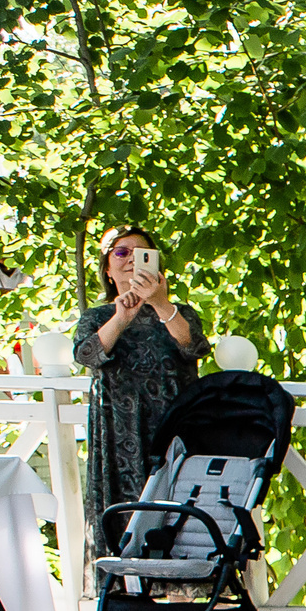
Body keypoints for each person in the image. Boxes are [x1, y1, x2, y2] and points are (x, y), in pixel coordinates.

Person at [74, 225, 209, 561]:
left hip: (176, 432)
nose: (131, 259)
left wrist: (161, 305)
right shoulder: (96, 317)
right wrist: (122, 318)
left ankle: (186, 607)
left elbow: (193, 347)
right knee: (125, 522)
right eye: (121, 252)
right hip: (120, 436)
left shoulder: (180, 312)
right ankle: (132, 607)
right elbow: (87, 355)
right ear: (107, 267)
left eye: (140, 253)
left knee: (181, 522)